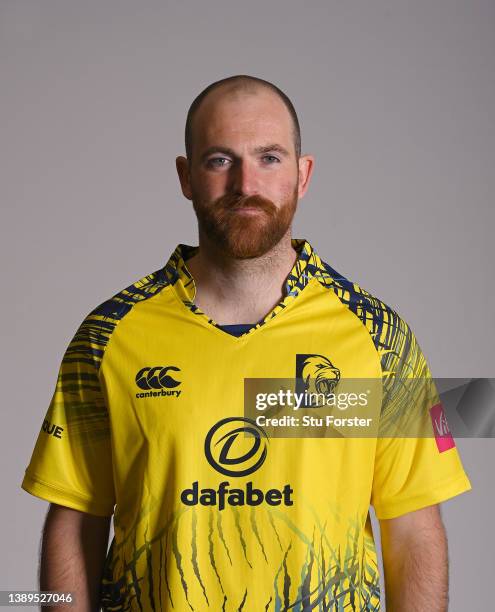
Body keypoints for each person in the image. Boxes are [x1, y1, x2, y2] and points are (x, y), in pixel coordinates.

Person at [21, 74, 472, 611]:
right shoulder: (108, 334)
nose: (245, 184)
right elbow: (75, 521)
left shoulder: (378, 337)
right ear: (186, 176)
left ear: (303, 176)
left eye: (270, 158)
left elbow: (414, 528)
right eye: (219, 160)